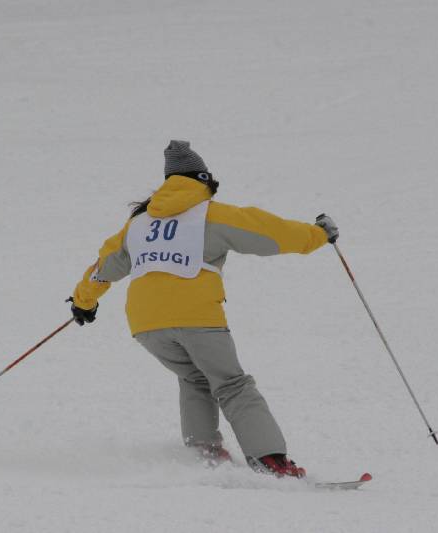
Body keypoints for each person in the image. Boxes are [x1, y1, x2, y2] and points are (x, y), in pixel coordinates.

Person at [70, 140, 339, 478]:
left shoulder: (138, 224)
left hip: (146, 324)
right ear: (203, 180)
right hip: (197, 319)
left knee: (194, 377)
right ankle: (270, 460)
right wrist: (317, 235)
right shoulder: (211, 214)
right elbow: (270, 233)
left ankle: (203, 453)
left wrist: (83, 302)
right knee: (232, 384)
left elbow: (104, 266)